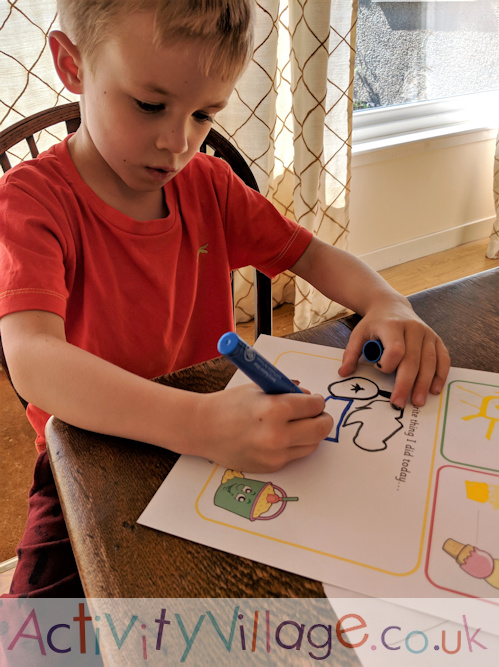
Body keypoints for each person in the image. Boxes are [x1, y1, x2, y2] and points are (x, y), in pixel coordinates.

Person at [0, 0, 450, 597]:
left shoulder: (209, 186)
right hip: (88, 457)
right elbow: (33, 360)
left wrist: (388, 301)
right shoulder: (31, 202)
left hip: (224, 438)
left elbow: (311, 255)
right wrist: (196, 423)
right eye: (150, 104)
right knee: (38, 635)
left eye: (205, 114)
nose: (177, 143)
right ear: (71, 64)